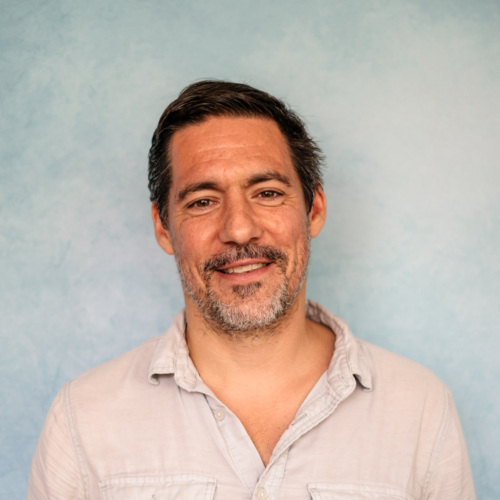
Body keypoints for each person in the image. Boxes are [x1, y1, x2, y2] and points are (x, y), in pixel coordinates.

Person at [27, 81, 475, 499]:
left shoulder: (419, 408)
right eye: (203, 201)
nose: (239, 229)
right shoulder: (82, 419)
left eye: (267, 192)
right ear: (163, 227)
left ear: (314, 209)